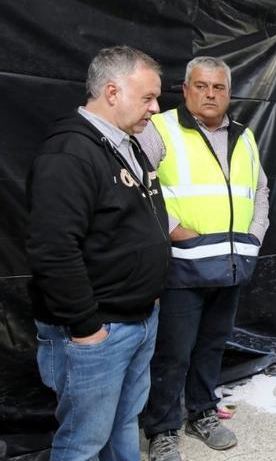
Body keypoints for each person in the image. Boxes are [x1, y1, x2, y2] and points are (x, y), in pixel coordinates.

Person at [27, 45, 169, 460]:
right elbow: (52, 250)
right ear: (112, 92)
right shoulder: (69, 152)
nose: (156, 109)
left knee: (125, 422)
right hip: (98, 330)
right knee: (84, 442)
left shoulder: (127, 144)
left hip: (138, 318)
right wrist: (88, 328)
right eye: (147, 97)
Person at [138, 56, 270, 461]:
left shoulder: (244, 136)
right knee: (173, 352)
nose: (210, 94)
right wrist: (175, 229)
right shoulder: (159, 129)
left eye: (219, 87)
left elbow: (261, 189)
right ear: (185, 88)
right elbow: (142, 185)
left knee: (212, 345)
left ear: (229, 93)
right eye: (202, 86)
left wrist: (255, 235)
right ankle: (161, 429)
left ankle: (202, 413)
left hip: (229, 264)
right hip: (182, 265)